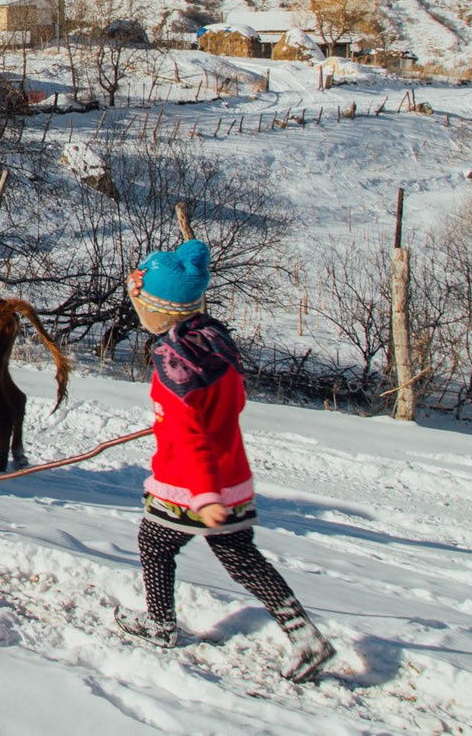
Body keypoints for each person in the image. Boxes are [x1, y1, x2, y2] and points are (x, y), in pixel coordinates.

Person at [114, 238, 335, 684]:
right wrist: (172, 418)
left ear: (158, 312)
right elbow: (228, 403)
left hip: (190, 484)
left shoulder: (173, 360)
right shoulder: (214, 342)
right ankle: (306, 636)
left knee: (155, 544)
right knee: (242, 559)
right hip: (232, 476)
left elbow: (192, 433)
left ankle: (160, 624)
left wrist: (204, 492)